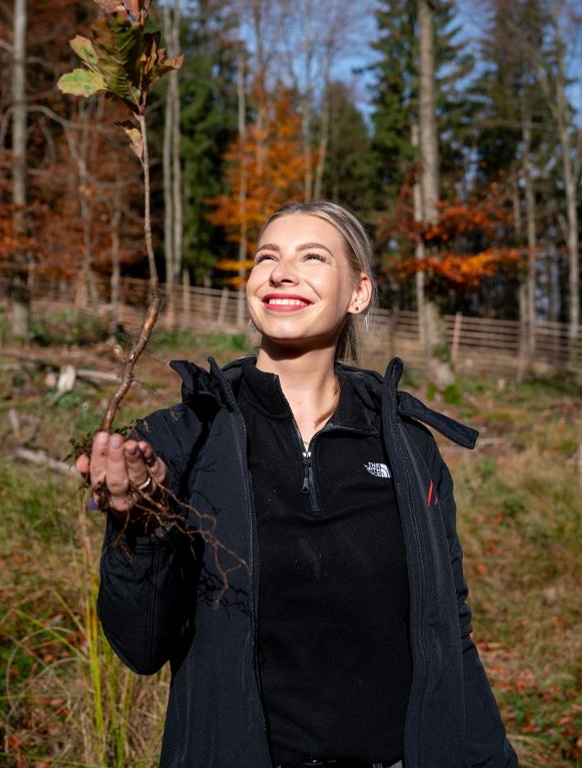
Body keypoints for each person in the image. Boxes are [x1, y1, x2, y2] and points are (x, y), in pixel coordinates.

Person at [77, 200, 518, 768]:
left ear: (359, 292)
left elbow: (448, 633)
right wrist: (141, 524)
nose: (280, 272)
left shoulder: (408, 447)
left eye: (312, 256)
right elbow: (140, 645)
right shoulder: (183, 437)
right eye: (266, 257)